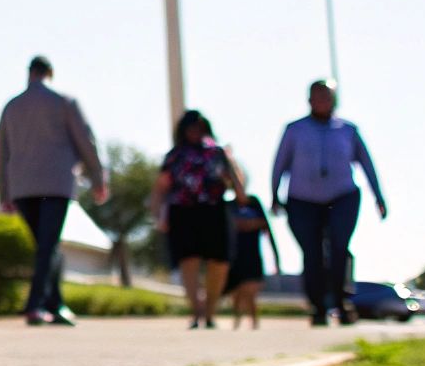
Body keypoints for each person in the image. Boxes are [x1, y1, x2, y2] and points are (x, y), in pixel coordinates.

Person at [0, 56, 108, 326]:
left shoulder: (11, 106)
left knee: (46, 245)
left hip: (23, 187)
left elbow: (1, 153)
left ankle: (56, 305)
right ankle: (35, 305)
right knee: (47, 246)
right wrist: (98, 178)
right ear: (50, 73)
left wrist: (4, 192)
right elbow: (85, 141)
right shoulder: (63, 102)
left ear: (30, 73)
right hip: (55, 185)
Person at [269, 80, 387, 326]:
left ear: (334, 100)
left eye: (327, 96)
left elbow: (367, 164)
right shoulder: (295, 130)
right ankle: (318, 306)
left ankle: (342, 302)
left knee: (339, 248)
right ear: (309, 100)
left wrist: (378, 196)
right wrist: (274, 194)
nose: (322, 101)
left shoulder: (348, 130)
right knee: (312, 253)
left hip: (342, 196)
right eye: (317, 96)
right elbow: (280, 163)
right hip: (302, 200)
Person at [151, 110, 240, 329]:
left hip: (214, 209)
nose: (195, 131)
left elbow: (235, 180)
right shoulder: (175, 156)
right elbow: (161, 186)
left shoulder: (218, 152)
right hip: (183, 211)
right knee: (188, 260)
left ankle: (210, 311)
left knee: (218, 262)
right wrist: (158, 214)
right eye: (190, 127)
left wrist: (240, 193)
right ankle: (196, 311)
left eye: (199, 127)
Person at [224, 192, 281, 330]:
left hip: (253, 257)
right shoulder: (229, 205)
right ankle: (236, 324)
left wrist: (276, 259)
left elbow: (267, 229)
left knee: (249, 293)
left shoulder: (254, 202)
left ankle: (254, 324)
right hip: (234, 258)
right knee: (237, 295)